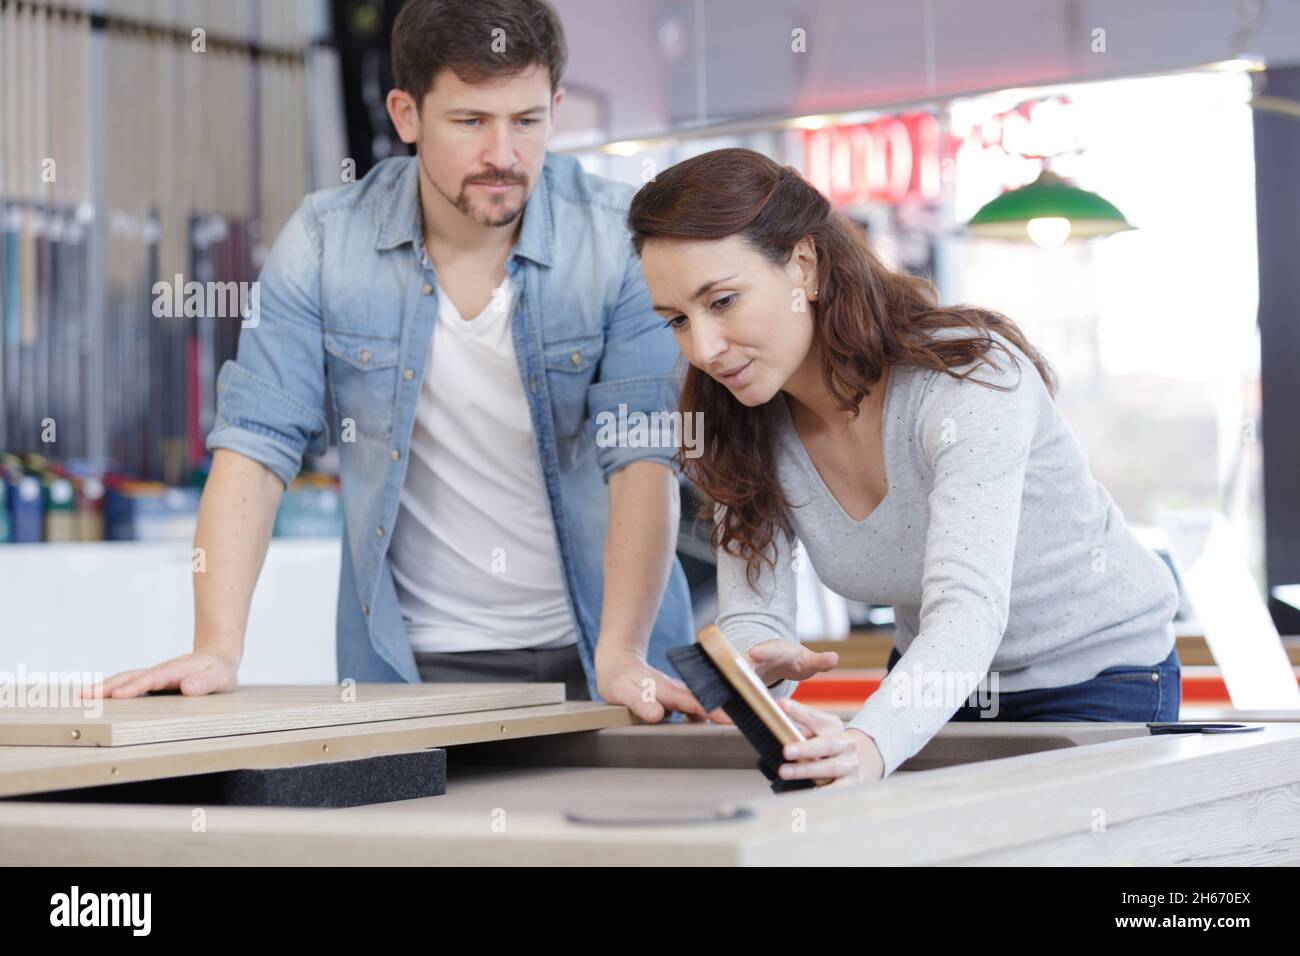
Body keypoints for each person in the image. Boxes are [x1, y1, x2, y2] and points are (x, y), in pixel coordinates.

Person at [87, 0, 703, 722]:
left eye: (527, 121)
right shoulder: (325, 244)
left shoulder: (619, 243)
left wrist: (623, 651)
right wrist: (218, 646)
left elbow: (641, 458)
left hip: (613, 659)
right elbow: (255, 447)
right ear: (406, 115)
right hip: (409, 670)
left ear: (557, 107)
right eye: (471, 122)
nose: (503, 154)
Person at [627, 147, 1181, 783]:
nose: (703, 348)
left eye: (722, 301)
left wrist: (870, 742)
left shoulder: (970, 379)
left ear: (802, 265)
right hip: (939, 684)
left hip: (1098, 673)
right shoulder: (743, 421)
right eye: (676, 320)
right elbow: (755, 606)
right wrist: (756, 662)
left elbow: (968, 609)